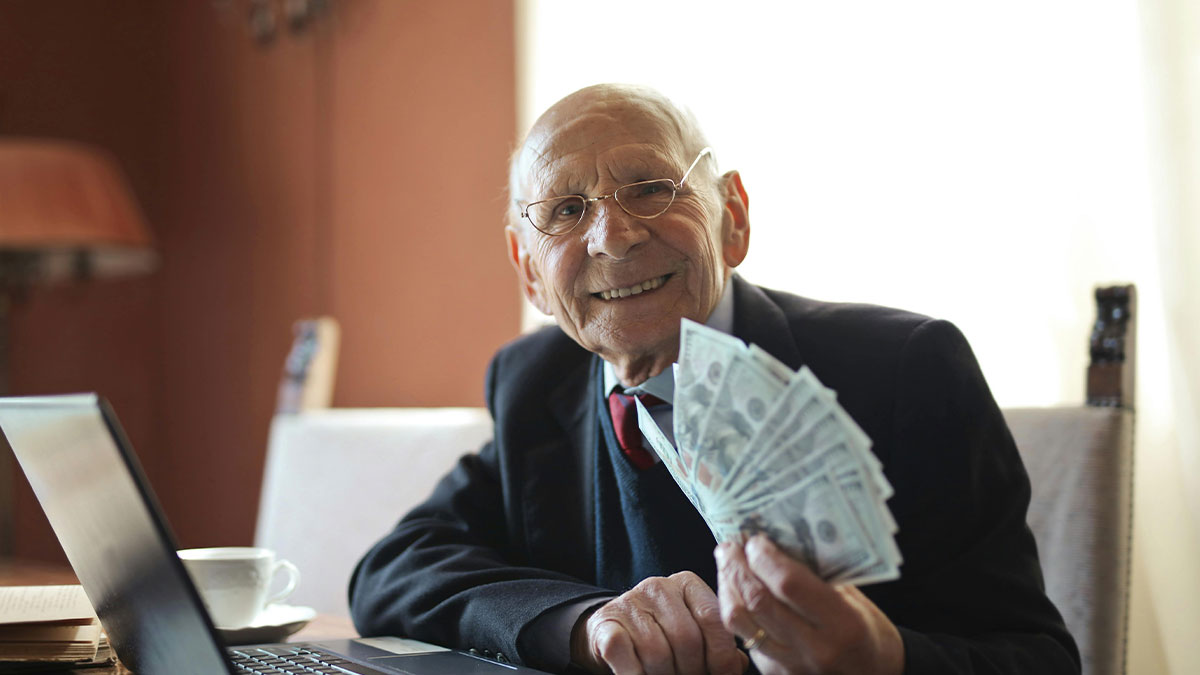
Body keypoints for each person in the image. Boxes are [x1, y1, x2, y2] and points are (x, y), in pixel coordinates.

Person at [349, 84, 1080, 675]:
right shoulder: (536, 381)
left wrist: (883, 658)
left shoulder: (907, 370)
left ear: (733, 215)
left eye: (650, 188)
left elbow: (1038, 658)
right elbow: (395, 568)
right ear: (528, 270)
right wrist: (585, 622)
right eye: (567, 210)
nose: (615, 234)